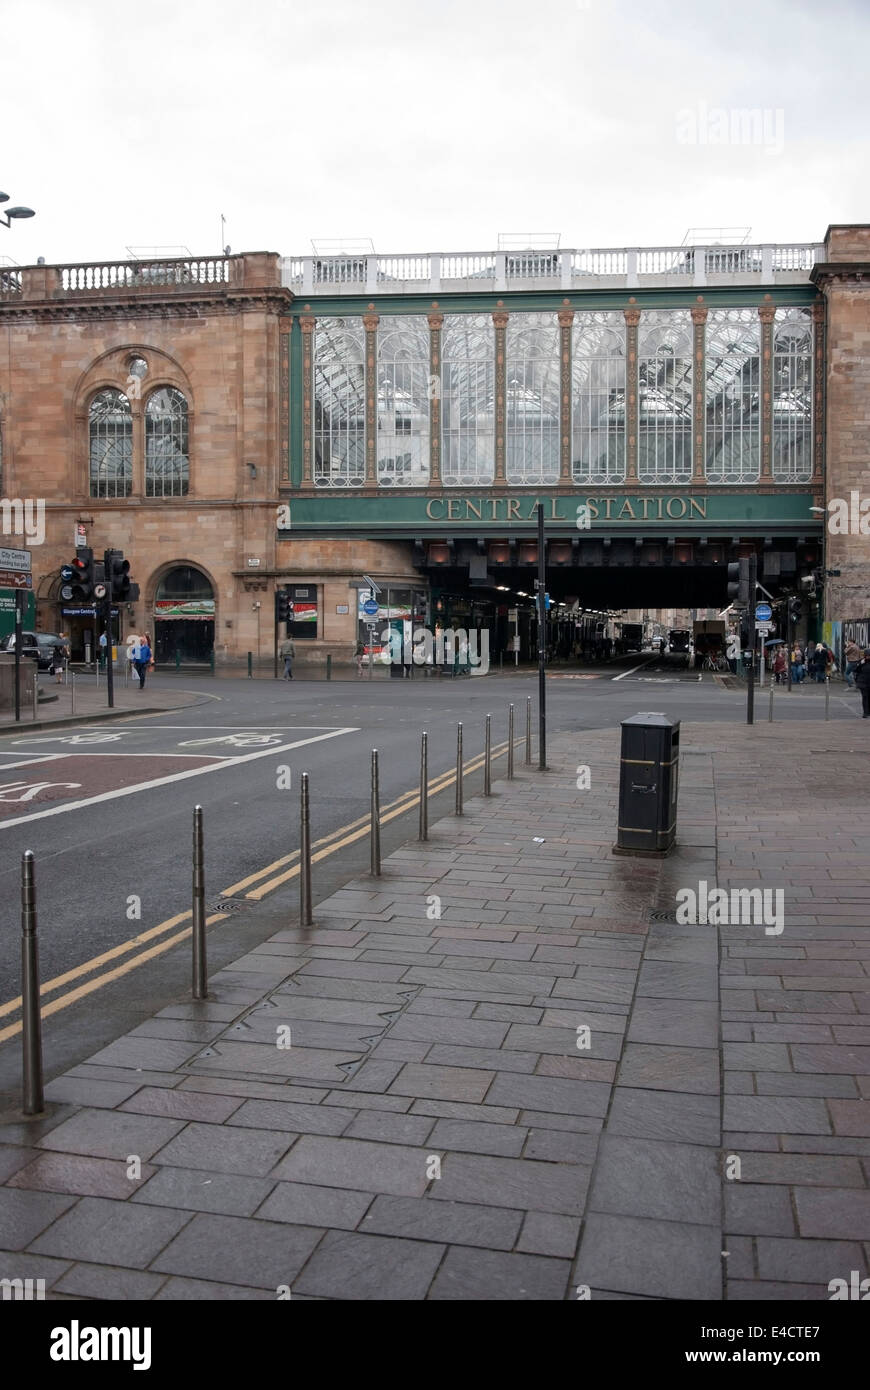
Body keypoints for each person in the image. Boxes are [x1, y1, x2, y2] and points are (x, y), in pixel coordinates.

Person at [855, 650, 870, 718]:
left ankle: (868, 711)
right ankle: (865, 712)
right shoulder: (861, 662)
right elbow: (856, 670)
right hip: (863, 682)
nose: (868, 657)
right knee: (865, 697)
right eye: (867, 656)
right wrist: (860, 664)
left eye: (869, 656)